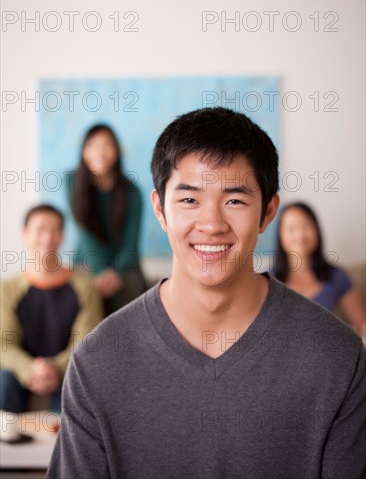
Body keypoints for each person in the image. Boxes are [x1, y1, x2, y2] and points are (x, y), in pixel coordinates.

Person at [47, 108, 366, 479]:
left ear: (268, 212)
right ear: (159, 210)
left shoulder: (338, 358)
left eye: (234, 200)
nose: (212, 225)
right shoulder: (97, 361)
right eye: (189, 200)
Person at [0, 205, 103, 413]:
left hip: (67, 370)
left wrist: (55, 368)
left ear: (62, 236)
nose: (47, 237)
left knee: (81, 381)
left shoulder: (84, 285)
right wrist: (30, 369)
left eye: (54, 230)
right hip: (20, 373)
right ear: (25, 234)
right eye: (40, 230)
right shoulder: (8, 288)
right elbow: (4, 344)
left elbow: (86, 342)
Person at [65, 124, 146, 316]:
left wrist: (115, 273)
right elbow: (84, 233)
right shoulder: (71, 181)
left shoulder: (132, 191)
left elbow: (131, 246)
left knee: (132, 289)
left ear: (117, 150)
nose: (99, 152)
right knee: (83, 290)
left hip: (123, 265)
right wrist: (100, 271)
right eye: (92, 145)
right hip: (87, 261)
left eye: (107, 145)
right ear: (83, 151)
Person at [272, 202, 366, 338]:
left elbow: (361, 323)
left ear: (317, 230)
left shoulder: (337, 276)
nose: (300, 235)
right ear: (280, 236)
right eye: (291, 229)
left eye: (306, 226)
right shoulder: (266, 280)